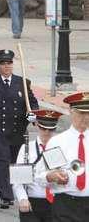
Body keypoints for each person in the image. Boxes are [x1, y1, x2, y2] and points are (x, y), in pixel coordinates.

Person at [0, 49, 39, 209]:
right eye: (3, 64)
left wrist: (33, 115)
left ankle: (21, 193)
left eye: (9, 63)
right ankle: (6, 195)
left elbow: (32, 102)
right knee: (3, 161)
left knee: (16, 164)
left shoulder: (23, 83)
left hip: (17, 129)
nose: (6, 66)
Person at [36, 93, 89, 221]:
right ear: (71, 111)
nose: (86, 117)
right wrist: (51, 176)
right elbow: (41, 175)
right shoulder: (58, 142)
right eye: (81, 113)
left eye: (88, 113)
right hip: (65, 204)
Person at [13, 110, 63, 222]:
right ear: (37, 126)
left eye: (51, 129)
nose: (47, 132)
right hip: (32, 202)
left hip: (56, 202)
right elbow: (18, 180)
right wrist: (22, 199)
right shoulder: (26, 148)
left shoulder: (60, 148)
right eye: (43, 128)